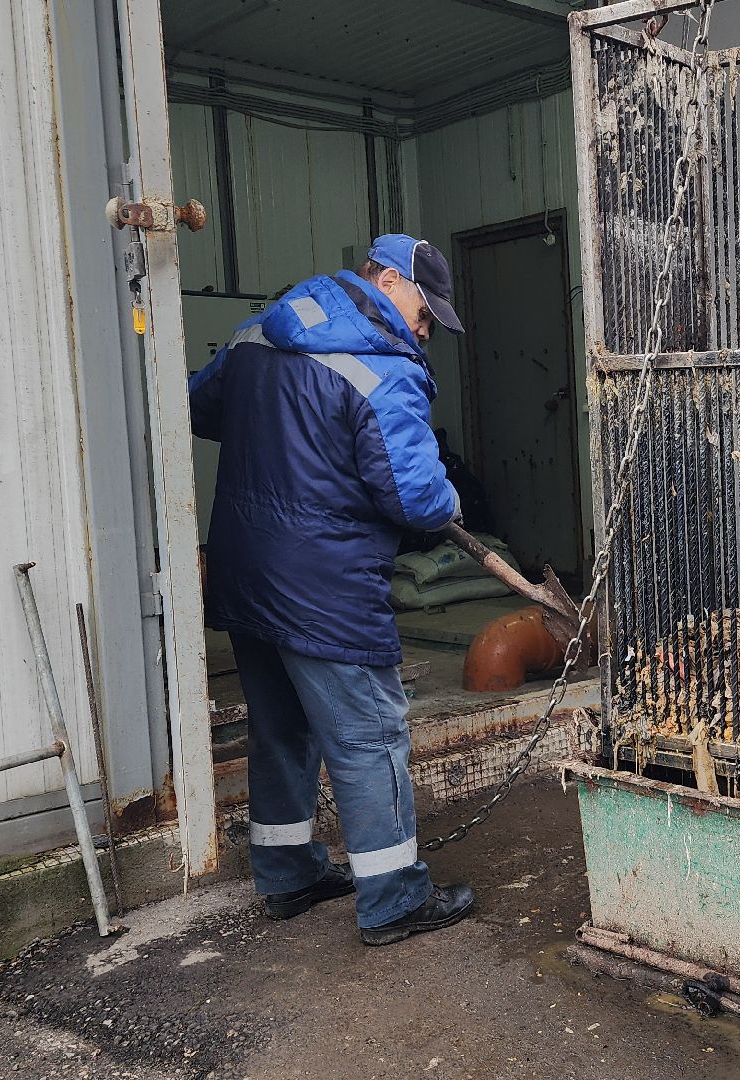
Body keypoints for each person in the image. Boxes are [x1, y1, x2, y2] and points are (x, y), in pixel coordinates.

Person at [188, 234, 477, 944]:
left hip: (248, 572)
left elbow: (199, 409)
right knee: (371, 737)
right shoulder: (382, 366)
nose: (424, 326)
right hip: (326, 584)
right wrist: (450, 504)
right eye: (423, 308)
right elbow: (416, 499)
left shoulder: (263, 328)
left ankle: (289, 876)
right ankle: (396, 899)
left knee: (282, 729)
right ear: (382, 278)